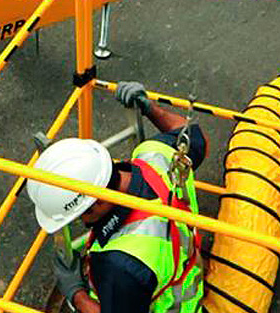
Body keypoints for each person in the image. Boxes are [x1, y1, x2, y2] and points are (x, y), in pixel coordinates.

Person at [27, 82, 207, 312]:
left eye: (81, 216)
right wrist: (150, 108)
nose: (81, 223)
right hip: (184, 276)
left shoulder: (120, 263)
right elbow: (195, 138)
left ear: (99, 200)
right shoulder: (156, 155)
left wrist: (76, 292)